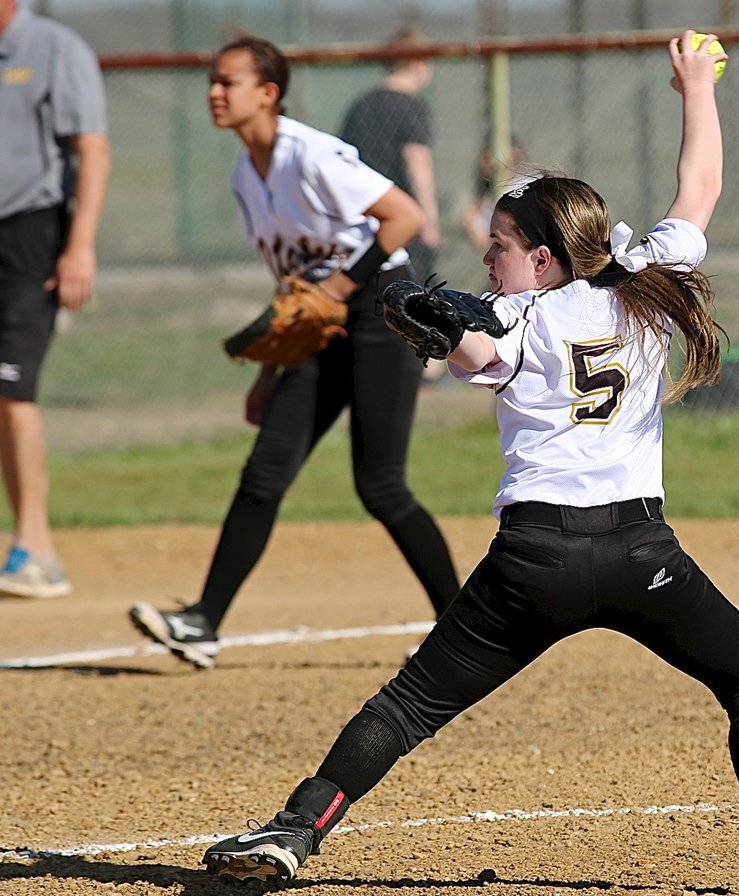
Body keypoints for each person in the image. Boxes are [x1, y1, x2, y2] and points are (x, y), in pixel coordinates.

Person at [201, 32, 739, 895]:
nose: (487, 259)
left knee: (409, 705)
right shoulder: (646, 281)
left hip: (534, 565)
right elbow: (701, 185)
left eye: (501, 246)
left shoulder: (516, 320)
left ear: (545, 259)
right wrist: (696, 87)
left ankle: (297, 829)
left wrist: (442, 327)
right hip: (642, 556)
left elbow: (471, 353)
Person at [127, 36, 459, 669]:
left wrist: (335, 286)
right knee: (264, 473)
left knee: (380, 484)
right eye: (213, 81)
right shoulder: (243, 176)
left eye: (229, 82)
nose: (214, 93)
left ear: (268, 93)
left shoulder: (309, 155)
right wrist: (271, 372)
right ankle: (202, 623)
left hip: (380, 306)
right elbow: (291, 283)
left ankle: (464, 623)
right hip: (319, 323)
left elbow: (404, 217)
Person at [0, 0, 109, 599]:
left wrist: (80, 246)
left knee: (12, 391)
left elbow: (91, 148)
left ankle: (36, 549)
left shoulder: (52, 47)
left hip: (28, 235)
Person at [339, 27, 439, 281]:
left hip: (364, 215)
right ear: (417, 64)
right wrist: (428, 219)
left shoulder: (361, 104)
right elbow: (417, 162)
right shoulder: (412, 106)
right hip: (404, 216)